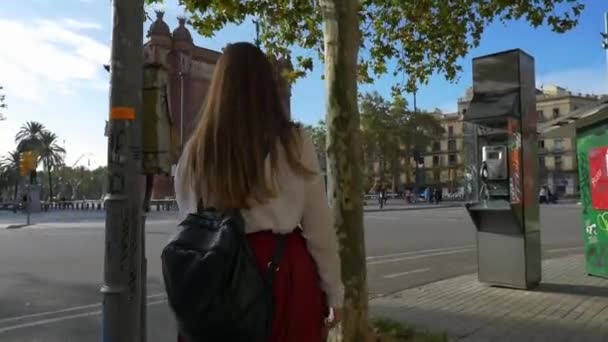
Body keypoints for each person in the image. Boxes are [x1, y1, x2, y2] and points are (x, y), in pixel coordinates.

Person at [173, 42, 343, 342]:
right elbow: (319, 228)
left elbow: (189, 218)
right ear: (266, 85)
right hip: (283, 277)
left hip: (215, 276)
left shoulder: (194, 151)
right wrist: (334, 293)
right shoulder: (293, 142)